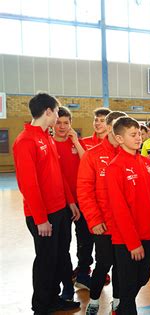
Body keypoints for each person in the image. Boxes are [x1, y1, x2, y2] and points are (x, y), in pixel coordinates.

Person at [13, 92, 81, 314]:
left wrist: (69, 201)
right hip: (43, 215)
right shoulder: (25, 141)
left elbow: (58, 174)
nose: (58, 118)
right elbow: (28, 185)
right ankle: (41, 305)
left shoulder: (46, 137)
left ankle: (54, 298)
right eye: (57, 113)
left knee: (58, 258)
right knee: (45, 261)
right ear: (48, 111)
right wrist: (41, 219)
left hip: (60, 209)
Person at [106, 116, 150, 315]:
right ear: (119, 138)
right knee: (128, 284)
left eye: (139, 134)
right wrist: (132, 243)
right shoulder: (115, 167)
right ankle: (124, 309)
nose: (138, 138)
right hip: (126, 239)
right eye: (133, 135)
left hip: (149, 234)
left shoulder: (146, 164)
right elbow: (119, 210)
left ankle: (122, 307)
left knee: (143, 277)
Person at [77, 111, 127, 315]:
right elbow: (85, 191)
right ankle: (95, 301)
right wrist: (95, 220)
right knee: (104, 263)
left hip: (124, 225)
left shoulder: (129, 154)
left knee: (121, 266)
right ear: (108, 127)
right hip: (103, 225)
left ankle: (117, 301)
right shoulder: (93, 155)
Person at [52, 106, 93, 298]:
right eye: (58, 122)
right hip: (62, 202)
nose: (62, 126)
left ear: (71, 124)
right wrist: (69, 201)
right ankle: (65, 283)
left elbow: (87, 163)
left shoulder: (77, 143)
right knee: (63, 245)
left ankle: (83, 273)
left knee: (85, 239)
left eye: (66, 123)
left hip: (82, 199)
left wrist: (76, 141)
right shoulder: (49, 144)